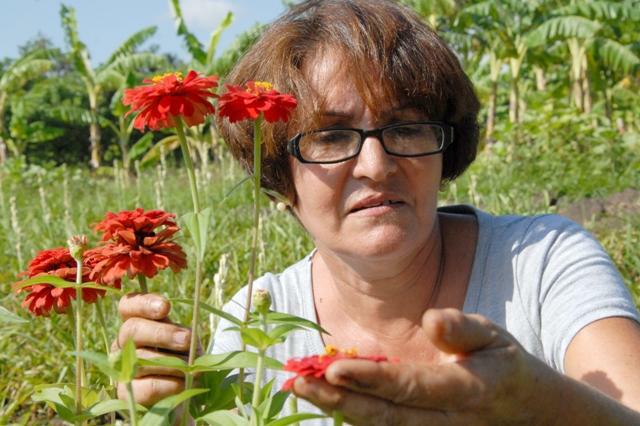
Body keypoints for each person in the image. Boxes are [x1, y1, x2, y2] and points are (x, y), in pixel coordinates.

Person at [115, 0, 640, 424]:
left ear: (445, 147)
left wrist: (542, 409)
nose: (375, 164)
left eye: (406, 127)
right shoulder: (252, 324)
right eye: (330, 135)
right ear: (281, 173)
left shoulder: (543, 263)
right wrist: (170, 412)